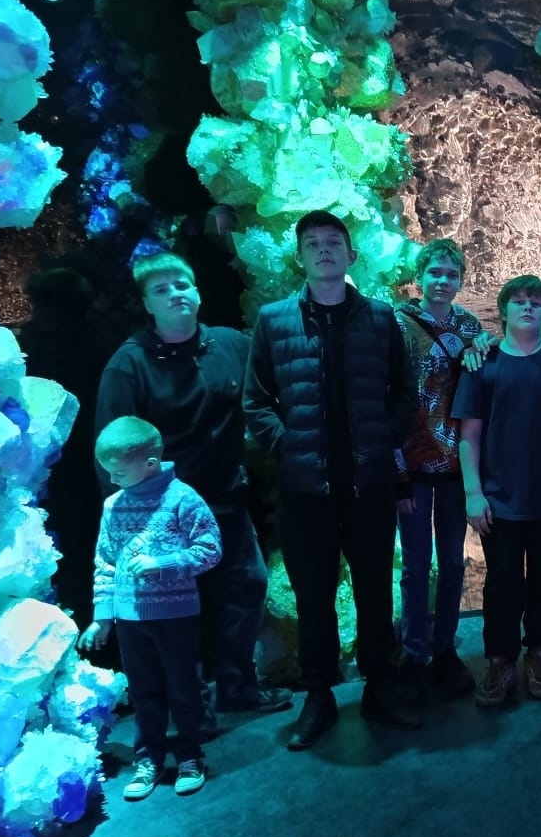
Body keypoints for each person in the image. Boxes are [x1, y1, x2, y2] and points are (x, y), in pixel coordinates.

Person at [244, 210, 419, 749]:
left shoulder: (380, 319)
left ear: (351, 254)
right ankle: (318, 696)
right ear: (300, 257)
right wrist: (288, 445)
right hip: (305, 491)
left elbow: (405, 392)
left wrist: (385, 439)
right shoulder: (274, 320)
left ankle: (380, 686)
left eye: (333, 242)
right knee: (314, 597)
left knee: (374, 590)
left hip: (370, 485)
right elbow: (256, 401)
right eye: (313, 243)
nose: (324, 250)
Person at [94, 251, 292, 721]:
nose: (175, 295)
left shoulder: (229, 345)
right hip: (160, 510)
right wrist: (126, 517)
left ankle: (237, 688)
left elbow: (274, 384)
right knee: (179, 609)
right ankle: (190, 707)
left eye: (181, 284)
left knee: (247, 587)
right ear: (147, 304)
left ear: (198, 292)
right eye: (161, 290)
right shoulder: (129, 365)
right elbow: (111, 447)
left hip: (225, 497)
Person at [79, 416, 221, 800]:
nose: (113, 480)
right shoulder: (113, 506)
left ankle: (189, 756)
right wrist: (102, 617)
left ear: (151, 463)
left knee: (184, 688)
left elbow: (210, 549)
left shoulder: (182, 499)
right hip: (130, 619)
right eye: (108, 473)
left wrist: (164, 563)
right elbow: (106, 562)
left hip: (176, 616)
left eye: (120, 472)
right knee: (144, 692)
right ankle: (149, 759)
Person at [451, 275, 541, 708]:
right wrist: (473, 492)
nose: (527, 307)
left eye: (536, 301)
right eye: (518, 301)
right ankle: (500, 659)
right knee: (502, 582)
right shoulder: (483, 363)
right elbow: (469, 436)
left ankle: (539, 652)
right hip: (500, 497)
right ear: (503, 311)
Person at [394, 239, 483, 699]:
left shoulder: (469, 326)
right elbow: (388, 394)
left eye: (451, 274)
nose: (443, 281)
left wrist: (482, 346)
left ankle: (445, 649)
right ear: (420, 277)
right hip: (411, 462)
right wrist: (396, 472)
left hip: (453, 463)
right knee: (414, 565)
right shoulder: (399, 323)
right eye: (435, 272)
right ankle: (413, 654)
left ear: (461, 280)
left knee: (451, 562)